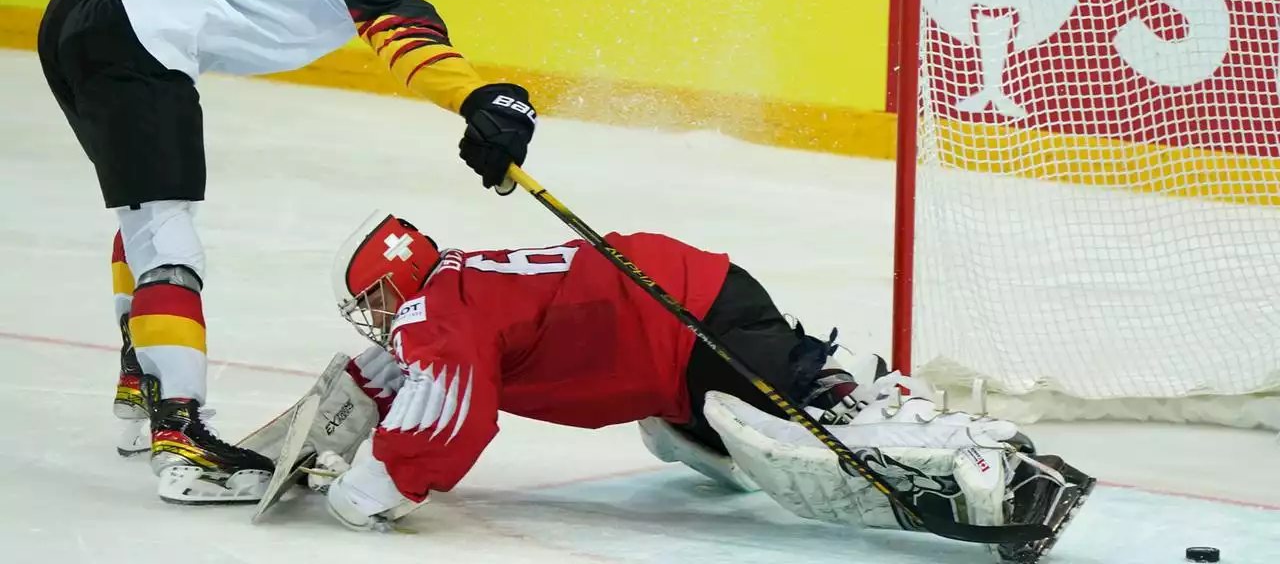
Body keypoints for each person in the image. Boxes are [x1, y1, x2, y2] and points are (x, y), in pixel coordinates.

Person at [36, 0, 538, 504]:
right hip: (137, 34)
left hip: (76, 8)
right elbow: (399, 25)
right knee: (169, 240)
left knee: (144, 217)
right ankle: (182, 439)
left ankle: (143, 388)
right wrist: (476, 99)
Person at [251, 213, 1093, 560]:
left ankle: (987, 462)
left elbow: (452, 411)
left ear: (384, 292)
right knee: (771, 392)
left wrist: (380, 481)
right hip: (685, 310)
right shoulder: (463, 279)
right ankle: (819, 391)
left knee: (815, 410)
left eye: (370, 309)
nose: (376, 325)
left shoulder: (434, 309)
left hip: (683, 327)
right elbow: (430, 371)